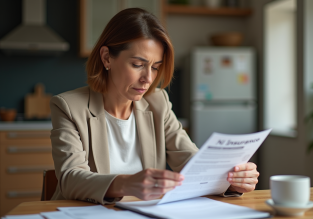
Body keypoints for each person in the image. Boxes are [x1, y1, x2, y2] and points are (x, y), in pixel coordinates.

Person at [50, 8, 259, 204]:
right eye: (138, 65)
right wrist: (125, 184)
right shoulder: (69, 106)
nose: (148, 79)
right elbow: (70, 179)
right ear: (107, 58)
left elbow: (191, 161)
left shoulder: (158, 102)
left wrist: (229, 179)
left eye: (156, 67)